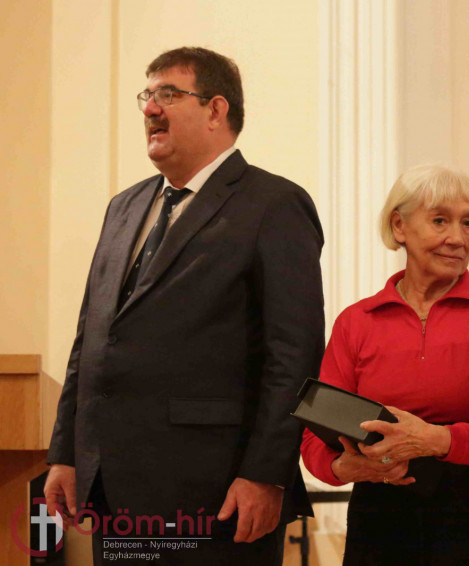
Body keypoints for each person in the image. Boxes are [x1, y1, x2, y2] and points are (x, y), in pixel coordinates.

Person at [44, 47, 323, 565]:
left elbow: (294, 357)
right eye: (147, 95)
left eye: (169, 95)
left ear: (216, 110)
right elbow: (92, 339)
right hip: (115, 487)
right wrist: (65, 453)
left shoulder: (273, 204)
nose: (151, 108)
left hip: (216, 493)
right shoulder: (124, 207)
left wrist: (266, 474)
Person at [301, 164, 469, 565]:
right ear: (399, 226)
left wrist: (431, 440)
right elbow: (315, 434)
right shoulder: (356, 321)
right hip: (382, 512)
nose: (457, 238)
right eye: (440, 220)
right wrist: (344, 467)